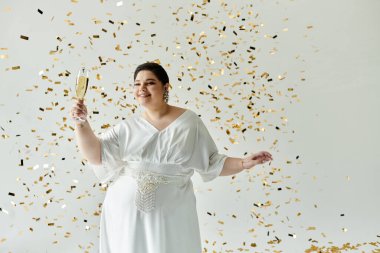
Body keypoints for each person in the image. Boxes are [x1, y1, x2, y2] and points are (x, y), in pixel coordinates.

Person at [71, 62, 273, 253]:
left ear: (165, 87)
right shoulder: (127, 127)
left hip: (173, 213)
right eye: (137, 84)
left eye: (150, 83)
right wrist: (81, 123)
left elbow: (212, 163)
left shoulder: (189, 122)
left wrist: (244, 163)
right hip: (125, 213)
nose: (142, 88)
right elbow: (96, 155)